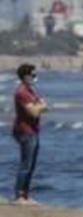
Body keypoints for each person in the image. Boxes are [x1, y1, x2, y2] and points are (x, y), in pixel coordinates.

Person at [11, 64, 47, 204]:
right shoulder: (22, 92)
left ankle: (25, 195)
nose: (35, 77)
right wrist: (41, 106)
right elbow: (34, 111)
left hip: (33, 130)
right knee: (26, 164)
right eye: (33, 75)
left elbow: (42, 106)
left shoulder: (30, 91)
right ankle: (19, 195)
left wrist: (41, 106)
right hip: (25, 131)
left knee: (31, 165)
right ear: (25, 76)